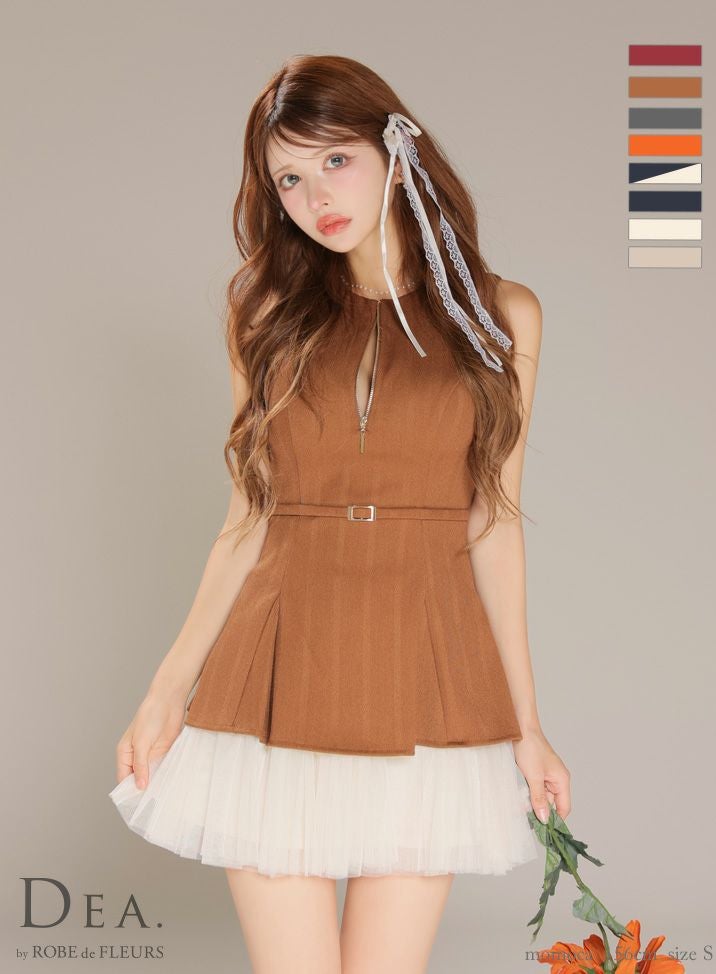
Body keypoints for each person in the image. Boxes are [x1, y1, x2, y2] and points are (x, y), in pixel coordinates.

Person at [109, 53, 571, 974]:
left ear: (396, 152)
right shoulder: (263, 314)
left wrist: (526, 723)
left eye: (334, 160)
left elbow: (493, 521)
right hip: (276, 669)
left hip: (428, 671)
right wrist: (165, 692)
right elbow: (248, 516)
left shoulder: (501, 315)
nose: (314, 196)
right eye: (288, 178)